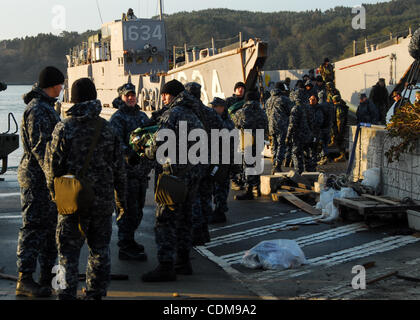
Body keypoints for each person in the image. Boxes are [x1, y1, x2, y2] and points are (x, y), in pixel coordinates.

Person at [44, 78, 128, 300]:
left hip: (71, 202)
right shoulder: (108, 129)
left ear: (74, 98)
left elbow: (51, 167)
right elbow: (120, 168)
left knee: (65, 256)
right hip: (101, 203)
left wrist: (56, 197)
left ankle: (64, 295)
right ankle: (95, 294)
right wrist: (121, 200)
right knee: (100, 252)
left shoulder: (63, 127)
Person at [141, 80, 203, 282]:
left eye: (165, 95)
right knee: (185, 220)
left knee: (165, 221)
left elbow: (159, 142)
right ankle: (183, 262)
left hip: (173, 175)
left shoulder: (172, 114)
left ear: (171, 95)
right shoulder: (194, 113)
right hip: (192, 174)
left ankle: (166, 266)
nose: (163, 98)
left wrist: (145, 152)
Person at [16, 66, 64, 298]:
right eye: (60, 84)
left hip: (46, 180)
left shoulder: (46, 107)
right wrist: (54, 176)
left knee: (49, 229)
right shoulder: (38, 110)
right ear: (53, 85)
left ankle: (47, 276)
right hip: (37, 180)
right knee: (33, 228)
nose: (63, 88)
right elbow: (41, 149)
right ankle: (25, 279)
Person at [109, 82, 152, 261]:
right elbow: (116, 141)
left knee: (138, 210)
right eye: (127, 95)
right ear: (121, 97)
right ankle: (124, 246)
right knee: (125, 210)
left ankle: (130, 239)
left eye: (133, 95)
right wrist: (128, 154)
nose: (131, 98)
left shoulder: (142, 116)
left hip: (141, 173)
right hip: (125, 174)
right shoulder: (117, 118)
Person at [184, 82, 223, 246]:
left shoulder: (187, 114)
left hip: (192, 163)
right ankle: (204, 230)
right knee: (206, 197)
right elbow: (221, 132)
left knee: (193, 200)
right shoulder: (210, 113)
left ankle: (197, 233)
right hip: (209, 162)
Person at [233, 90, 268, 200]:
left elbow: (236, 124)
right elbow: (266, 125)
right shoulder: (262, 111)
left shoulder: (242, 112)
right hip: (259, 138)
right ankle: (257, 188)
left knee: (248, 165)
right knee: (257, 162)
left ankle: (249, 190)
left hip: (247, 139)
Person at [209, 97, 235, 223]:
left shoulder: (226, 123)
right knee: (215, 185)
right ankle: (218, 209)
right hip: (216, 158)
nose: (213, 109)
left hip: (223, 159)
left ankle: (220, 211)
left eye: (216, 106)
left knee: (221, 186)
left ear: (222, 108)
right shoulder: (215, 120)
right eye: (213, 106)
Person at [265, 82, 292, 174]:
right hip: (281, 125)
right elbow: (290, 111)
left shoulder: (268, 100)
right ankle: (277, 165)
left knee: (274, 144)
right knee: (281, 145)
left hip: (271, 126)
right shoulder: (284, 99)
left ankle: (274, 162)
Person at [286, 91, 314, 175]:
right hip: (307, 135)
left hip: (297, 136)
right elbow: (312, 122)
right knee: (307, 154)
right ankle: (310, 172)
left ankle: (299, 173)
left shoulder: (295, 109)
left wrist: (288, 137)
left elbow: (292, 124)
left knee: (296, 154)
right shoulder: (308, 108)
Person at [226, 81, 246, 191]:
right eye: (238, 88)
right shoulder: (229, 101)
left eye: (242, 88)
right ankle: (233, 179)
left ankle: (242, 179)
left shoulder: (246, 102)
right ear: (235, 90)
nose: (240, 90)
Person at [331, 95, 349, 163]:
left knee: (339, 141)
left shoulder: (339, 107)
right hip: (341, 128)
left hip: (340, 128)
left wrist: (339, 131)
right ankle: (342, 155)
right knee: (339, 141)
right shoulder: (341, 106)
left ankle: (343, 156)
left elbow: (340, 120)